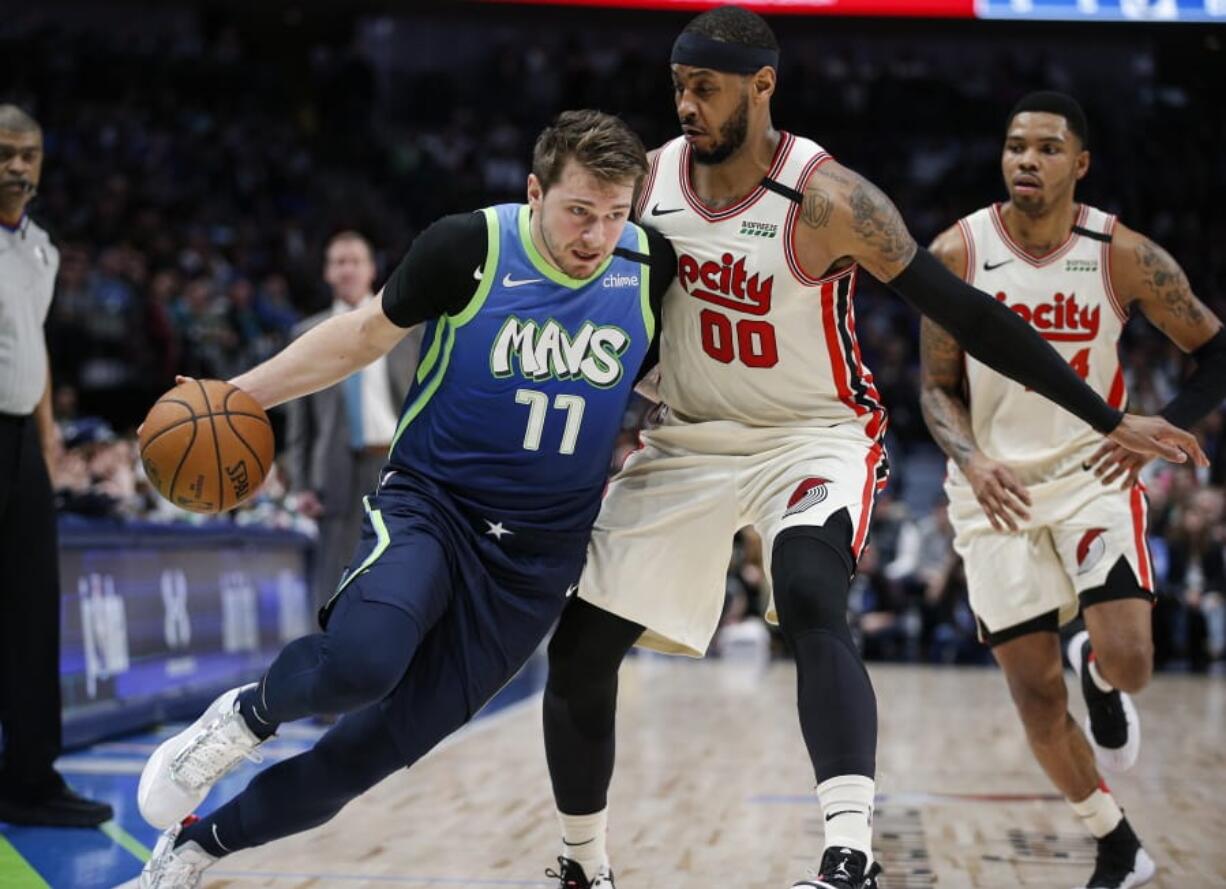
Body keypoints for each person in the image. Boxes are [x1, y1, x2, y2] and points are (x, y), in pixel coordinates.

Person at [537, 11, 1206, 889]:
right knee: (581, 645)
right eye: (677, 87)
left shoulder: (831, 199)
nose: (686, 104)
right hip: (692, 434)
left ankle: (847, 851)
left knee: (812, 592)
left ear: (762, 86)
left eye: (704, 87)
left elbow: (968, 315)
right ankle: (584, 864)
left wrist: (1102, 413)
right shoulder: (650, 180)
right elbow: (592, 283)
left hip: (814, 434)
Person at [130, 109, 676, 888]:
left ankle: (195, 849)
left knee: (364, 757)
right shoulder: (470, 246)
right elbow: (358, 338)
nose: (596, 235)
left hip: (535, 563)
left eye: (615, 214)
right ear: (535, 192)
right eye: (578, 211)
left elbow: (678, 382)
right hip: (435, 507)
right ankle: (245, 717)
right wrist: (235, 393)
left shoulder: (651, 267)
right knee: (362, 662)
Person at [919, 91, 1225, 889]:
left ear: (1080, 164)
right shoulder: (957, 250)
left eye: (1047, 148)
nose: (1027, 158)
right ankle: (1117, 841)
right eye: (1016, 145)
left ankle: (1101, 671)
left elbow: (1217, 350)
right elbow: (934, 385)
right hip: (996, 490)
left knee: (1130, 664)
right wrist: (971, 458)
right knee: (1034, 696)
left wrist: (1165, 417)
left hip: (1094, 471)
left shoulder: (1121, 254)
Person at [0, 104, 113, 828]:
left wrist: (47, 440)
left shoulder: (40, 249)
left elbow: (34, 353)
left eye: (29, 155)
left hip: (21, 448)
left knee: (34, 613)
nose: (16, 167)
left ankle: (30, 779)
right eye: (5, 153)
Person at [286, 230, 422, 614]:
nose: (347, 270)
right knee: (332, 576)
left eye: (355, 261)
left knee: (399, 565)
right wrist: (300, 484)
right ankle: (327, 662)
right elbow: (301, 422)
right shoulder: (305, 334)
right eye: (339, 262)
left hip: (393, 463)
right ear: (328, 273)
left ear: (371, 270)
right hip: (334, 469)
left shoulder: (404, 328)